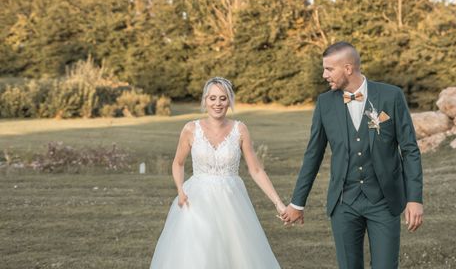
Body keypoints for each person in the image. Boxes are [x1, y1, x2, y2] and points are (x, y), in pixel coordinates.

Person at [281, 42, 424, 269]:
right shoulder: (325, 103)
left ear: (348, 68)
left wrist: (414, 198)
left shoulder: (391, 96)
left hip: (384, 202)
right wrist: (297, 203)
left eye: (329, 69)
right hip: (343, 203)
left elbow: (409, 150)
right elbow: (313, 155)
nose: (324, 74)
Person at [150, 77, 284, 268]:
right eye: (212, 98)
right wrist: (180, 190)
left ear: (229, 100)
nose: (217, 103)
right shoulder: (190, 129)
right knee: (198, 252)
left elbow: (255, 170)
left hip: (231, 201)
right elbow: (178, 163)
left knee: (236, 252)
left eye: (223, 98)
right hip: (196, 199)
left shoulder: (240, 129)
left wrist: (278, 203)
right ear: (205, 100)